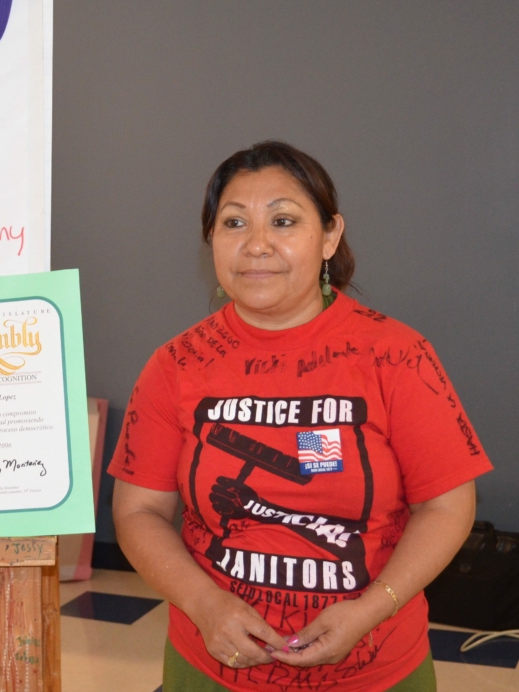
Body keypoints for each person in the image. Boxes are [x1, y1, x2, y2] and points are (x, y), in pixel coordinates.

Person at [109, 141, 493, 692]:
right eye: (234, 222)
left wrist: (370, 609)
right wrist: (205, 603)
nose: (257, 244)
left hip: (376, 666)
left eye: (284, 221)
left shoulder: (396, 354)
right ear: (211, 240)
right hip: (210, 666)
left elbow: (448, 504)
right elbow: (138, 510)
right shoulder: (175, 365)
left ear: (330, 235)